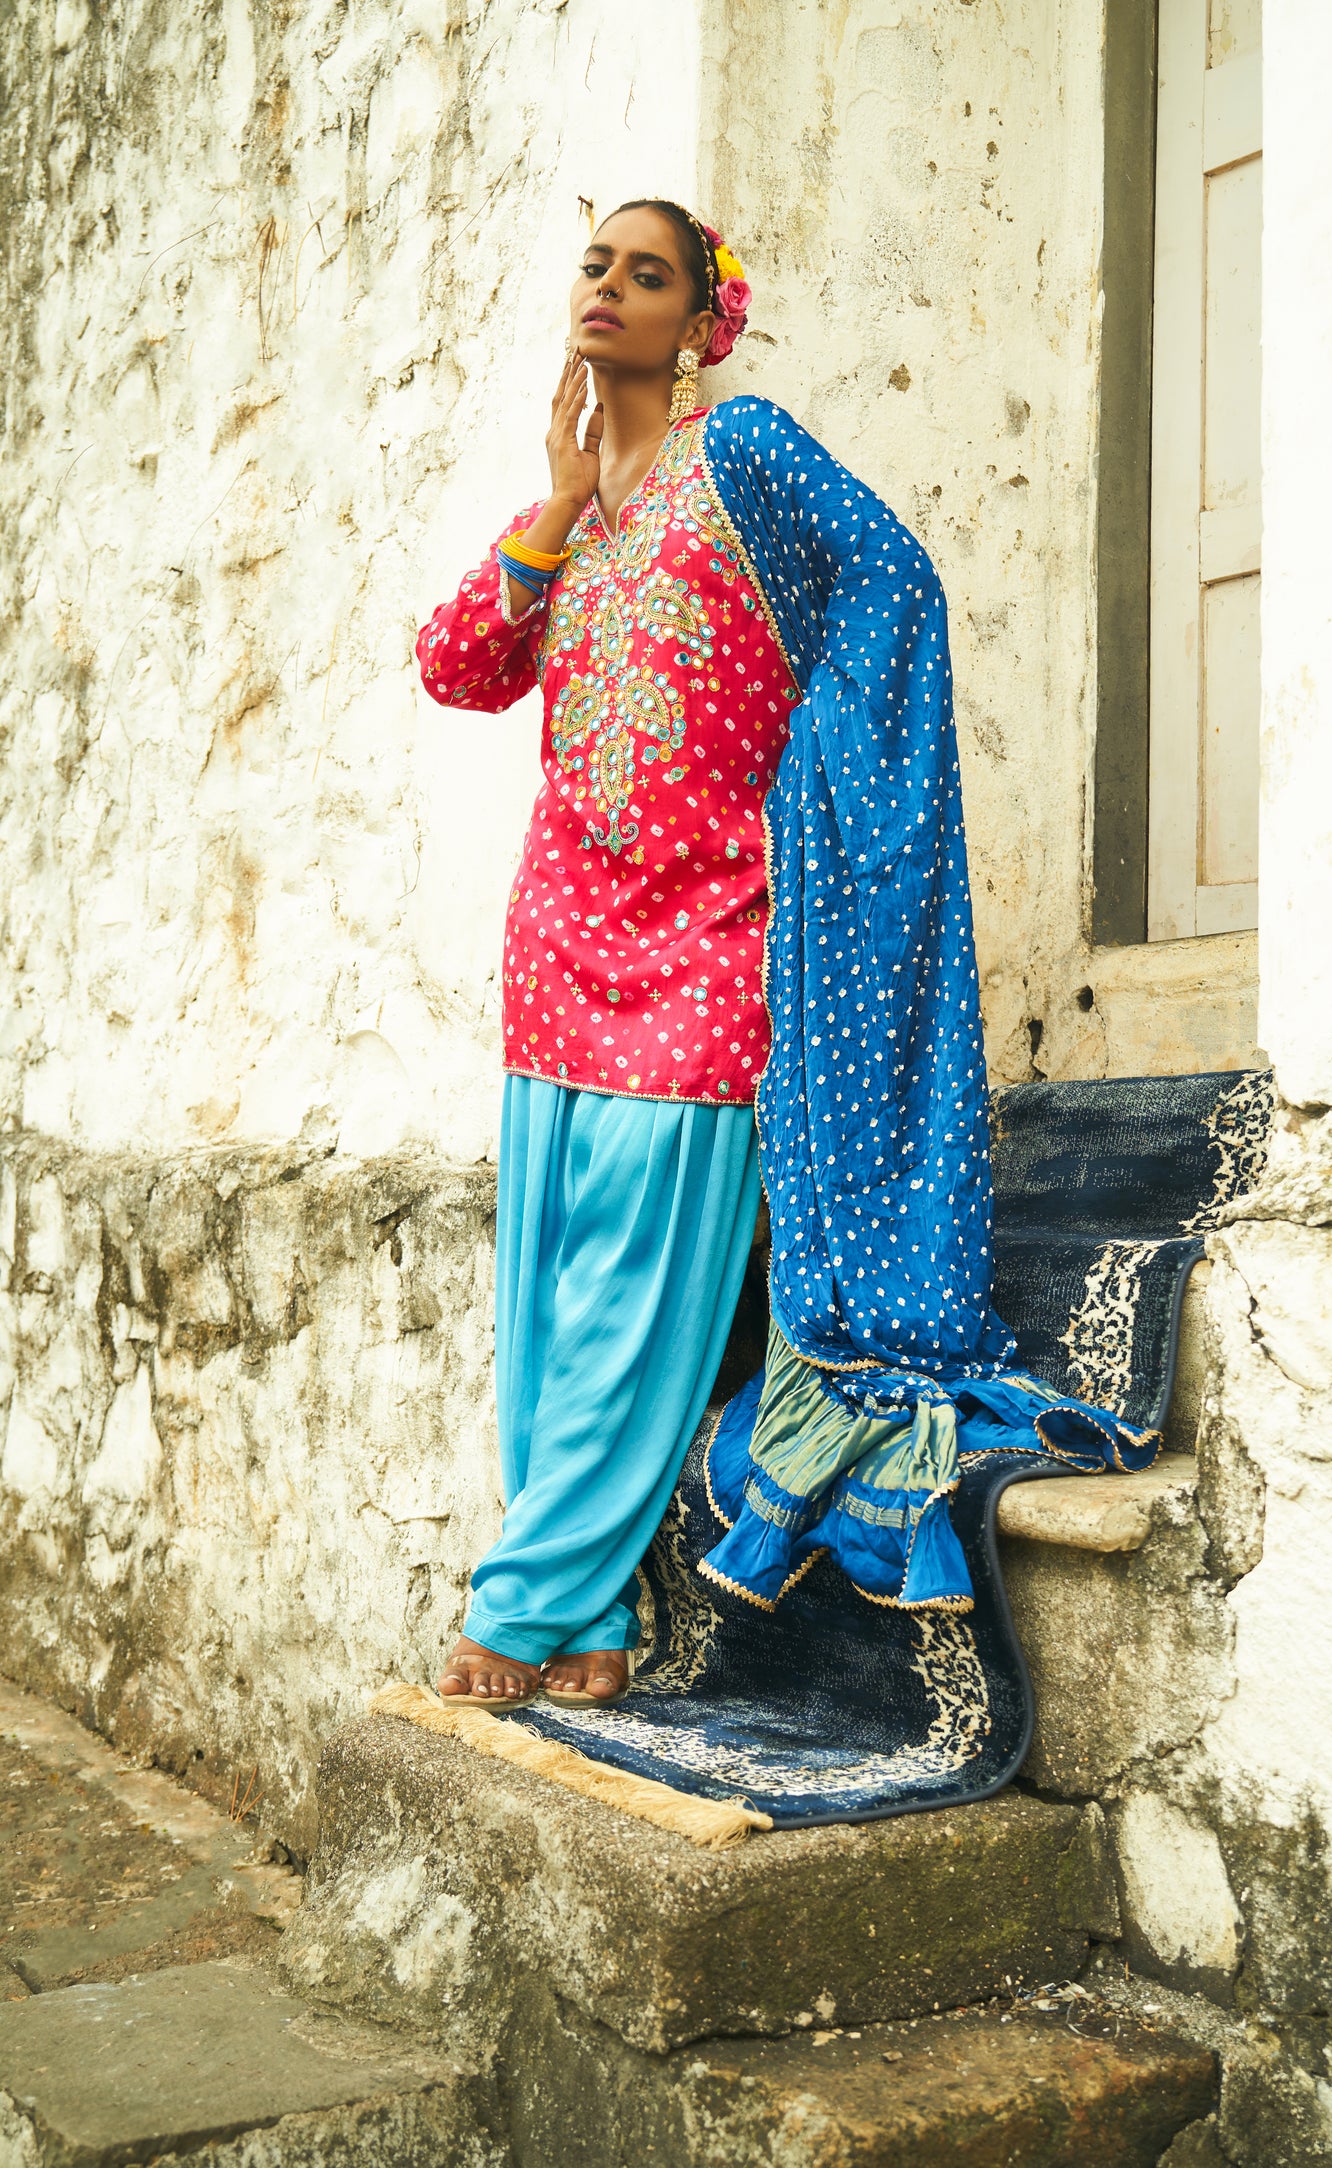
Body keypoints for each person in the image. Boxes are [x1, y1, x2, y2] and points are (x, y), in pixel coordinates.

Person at [415, 201, 1150, 1713]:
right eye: (594, 265)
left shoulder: (743, 453)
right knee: (549, 1299)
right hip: (558, 940)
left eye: (648, 273)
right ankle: (595, 1614)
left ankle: (524, 1593)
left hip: (711, 938)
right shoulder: (573, 509)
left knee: (630, 1291)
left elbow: (895, 581)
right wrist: (551, 505)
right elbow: (458, 667)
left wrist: (816, 792)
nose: (609, 288)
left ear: (700, 325)